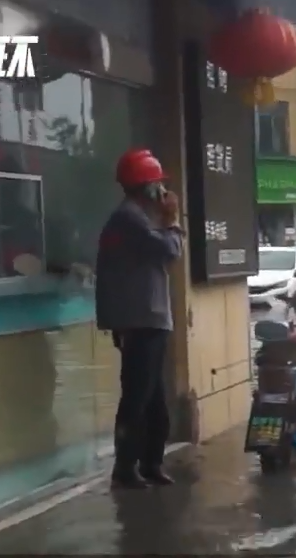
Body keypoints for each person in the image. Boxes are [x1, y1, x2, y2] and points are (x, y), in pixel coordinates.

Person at [95, 148, 183, 489]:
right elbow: (170, 251)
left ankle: (151, 462)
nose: (162, 190)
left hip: (148, 319)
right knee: (137, 397)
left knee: (155, 400)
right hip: (141, 321)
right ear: (147, 186)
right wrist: (172, 219)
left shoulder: (138, 218)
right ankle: (126, 466)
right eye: (158, 183)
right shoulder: (130, 219)